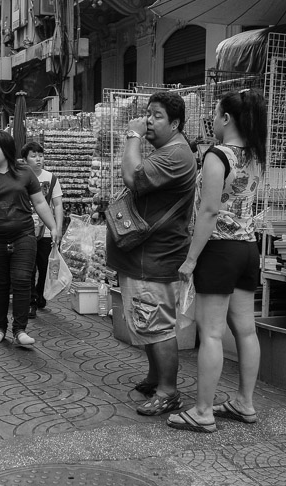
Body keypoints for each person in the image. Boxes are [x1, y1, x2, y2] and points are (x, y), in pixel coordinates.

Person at [168, 90, 267, 434]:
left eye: (215, 113)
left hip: (219, 250)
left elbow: (209, 211)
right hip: (248, 249)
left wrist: (190, 259)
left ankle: (203, 411)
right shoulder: (255, 155)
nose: (212, 120)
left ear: (226, 118)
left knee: (210, 333)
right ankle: (245, 403)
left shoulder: (217, 155)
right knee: (246, 330)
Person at [107, 91, 197, 417]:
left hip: (155, 257)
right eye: (148, 113)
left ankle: (168, 392)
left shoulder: (176, 154)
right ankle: (156, 377)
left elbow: (132, 177)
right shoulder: (169, 151)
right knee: (147, 321)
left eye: (157, 115)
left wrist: (132, 136)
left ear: (175, 124)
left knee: (157, 325)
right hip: (146, 256)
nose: (148, 120)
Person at [0, 131, 60, 346]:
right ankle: (0, 327)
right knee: (0, 283)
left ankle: (20, 329)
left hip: (24, 235)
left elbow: (40, 202)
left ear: (6, 149)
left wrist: (53, 227)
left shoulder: (25, 172)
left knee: (22, 280)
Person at [21, 141, 63, 319]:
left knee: (45, 267)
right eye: (33, 156)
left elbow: (58, 204)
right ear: (25, 159)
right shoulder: (20, 177)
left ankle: (39, 294)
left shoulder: (51, 178)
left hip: (46, 231)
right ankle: (31, 302)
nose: (38, 159)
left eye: (40, 155)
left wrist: (58, 228)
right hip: (25, 230)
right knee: (28, 268)